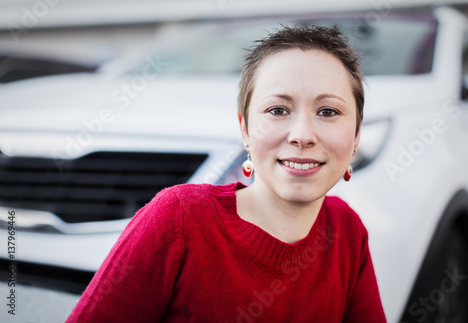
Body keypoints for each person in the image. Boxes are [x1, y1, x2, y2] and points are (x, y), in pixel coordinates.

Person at [67, 25, 386, 322]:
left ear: (356, 135)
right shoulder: (178, 218)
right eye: (278, 110)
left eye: (328, 112)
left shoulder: (347, 231)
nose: (302, 135)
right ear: (245, 129)